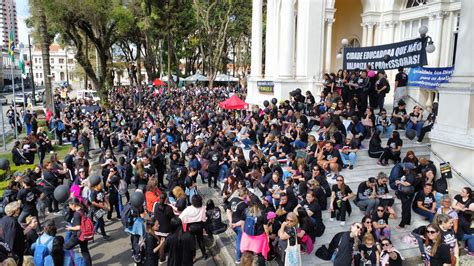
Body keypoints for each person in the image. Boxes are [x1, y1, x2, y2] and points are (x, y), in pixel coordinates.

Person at [240, 200, 270, 266]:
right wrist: (267, 236)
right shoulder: (262, 213)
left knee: (247, 254)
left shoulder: (245, 211)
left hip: (247, 236)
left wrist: (243, 233)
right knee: (260, 254)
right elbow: (266, 228)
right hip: (259, 238)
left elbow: (242, 223)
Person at [179, 194, 209, 260]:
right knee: (201, 241)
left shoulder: (188, 209)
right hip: (200, 226)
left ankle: (193, 257)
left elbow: (181, 218)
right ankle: (204, 254)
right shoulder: (203, 208)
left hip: (191, 228)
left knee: (192, 243)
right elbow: (204, 218)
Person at [64, 197, 92, 266]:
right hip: (84, 234)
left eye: (70, 205)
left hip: (77, 235)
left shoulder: (76, 214)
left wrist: (70, 228)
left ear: (73, 205)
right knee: (85, 251)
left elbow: (78, 227)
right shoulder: (83, 209)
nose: (70, 207)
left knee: (65, 248)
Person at [225, 188, 248, 264]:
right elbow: (243, 220)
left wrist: (231, 222)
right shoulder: (244, 205)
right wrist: (243, 230)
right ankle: (238, 259)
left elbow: (228, 211)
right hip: (238, 225)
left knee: (238, 237)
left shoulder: (233, 199)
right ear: (244, 194)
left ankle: (238, 251)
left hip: (233, 223)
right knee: (239, 241)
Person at [452, 187, 474, 256]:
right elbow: (453, 206)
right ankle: (471, 251)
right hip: (460, 234)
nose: (461, 192)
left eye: (463, 191)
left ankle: (468, 246)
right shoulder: (464, 220)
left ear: (468, 194)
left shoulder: (471, 201)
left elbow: (469, 210)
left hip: (462, 225)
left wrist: (459, 207)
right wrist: (463, 208)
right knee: (472, 235)